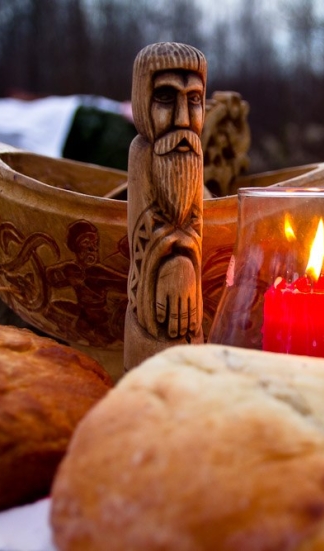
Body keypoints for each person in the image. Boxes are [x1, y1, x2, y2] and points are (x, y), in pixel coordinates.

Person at [124, 42, 207, 370]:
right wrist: (171, 263)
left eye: (195, 100)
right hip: (148, 321)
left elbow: (195, 223)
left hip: (191, 325)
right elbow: (142, 236)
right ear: (143, 101)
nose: (183, 119)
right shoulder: (141, 155)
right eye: (166, 98)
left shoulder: (195, 154)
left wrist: (187, 264)